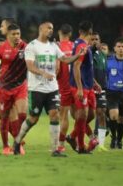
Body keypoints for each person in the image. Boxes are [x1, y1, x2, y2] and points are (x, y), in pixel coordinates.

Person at [13, 22, 84, 157]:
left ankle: (54, 149)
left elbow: (65, 59)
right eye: (48, 28)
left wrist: (78, 55)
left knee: (55, 115)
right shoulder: (32, 46)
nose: (51, 30)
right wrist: (42, 73)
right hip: (36, 89)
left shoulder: (53, 46)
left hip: (52, 88)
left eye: (52, 28)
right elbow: (30, 66)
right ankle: (17, 141)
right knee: (33, 119)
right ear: (41, 29)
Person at [0, 23, 27, 155]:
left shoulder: (25, 47)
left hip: (21, 86)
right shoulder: (1, 49)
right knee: (3, 117)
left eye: (18, 34)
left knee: (23, 114)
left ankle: (18, 142)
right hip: (5, 88)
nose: (16, 37)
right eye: (13, 34)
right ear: (8, 35)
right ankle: (5, 146)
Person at [66, 21, 96, 154]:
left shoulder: (82, 44)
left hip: (88, 86)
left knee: (90, 115)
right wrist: (79, 88)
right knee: (82, 116)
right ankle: (82, 147)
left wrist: (94, 82)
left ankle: (72, 136)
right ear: (90, 32)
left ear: (79, 31)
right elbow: (76, 67)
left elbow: (85, 68)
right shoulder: (82, 46)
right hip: (81, 87)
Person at [56, 24, 74, 152]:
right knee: (79, 115)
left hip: (63, 86)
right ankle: (78, 139)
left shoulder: (57, 47)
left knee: (63, 116)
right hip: (77, 85)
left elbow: (56, 69)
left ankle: (61, 145)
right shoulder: (76, 46)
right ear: (71, 34)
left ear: (59, 32)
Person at [90, 32, 108, 151]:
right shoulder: (88, 54)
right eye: (92, 39)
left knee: (101, 113)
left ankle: (101, 144)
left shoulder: (103, 55)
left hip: (101, 89)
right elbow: (87, 72)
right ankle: (78, 136)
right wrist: (94, 83)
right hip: (90, 88)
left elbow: (105, 73)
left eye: (97, 39)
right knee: (86, 115)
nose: (95, 41)